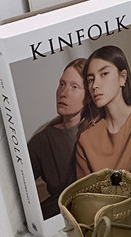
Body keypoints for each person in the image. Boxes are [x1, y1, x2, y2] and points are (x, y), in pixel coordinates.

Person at [76, 45, 131, 179]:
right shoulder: (86, 140)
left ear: (122, 77)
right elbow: (87, 190)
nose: (95, 85)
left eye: (104, 74)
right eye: (90, 80)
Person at [28, 58, 96, 219]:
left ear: (88, 96)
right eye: (62, 84)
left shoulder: (99, 130)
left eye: (74, 87)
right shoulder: (43, 140)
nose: (63, 93)